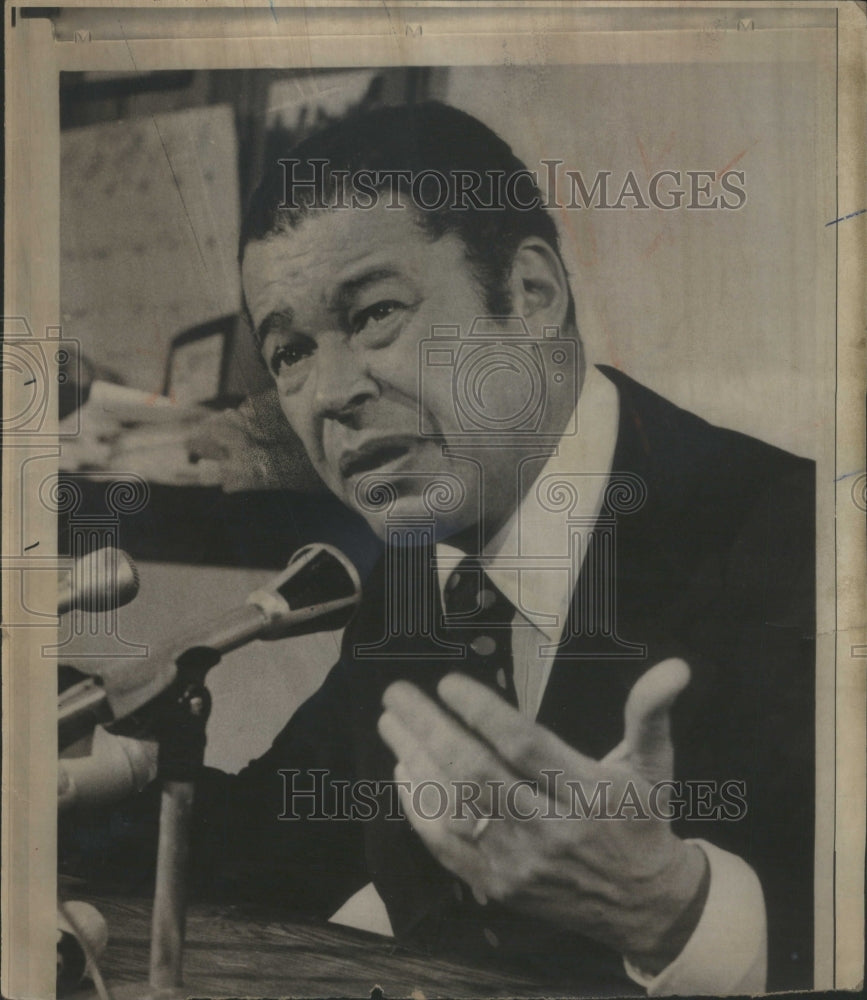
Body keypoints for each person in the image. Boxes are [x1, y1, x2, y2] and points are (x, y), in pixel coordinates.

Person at [154, 102, 814, 995]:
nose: (331, 394)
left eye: (376, 314)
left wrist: (672, 912)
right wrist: (78, 776)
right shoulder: (417, 574)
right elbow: (280, 846)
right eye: (290, 353)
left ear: (531, 294)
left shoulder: (803, 541)